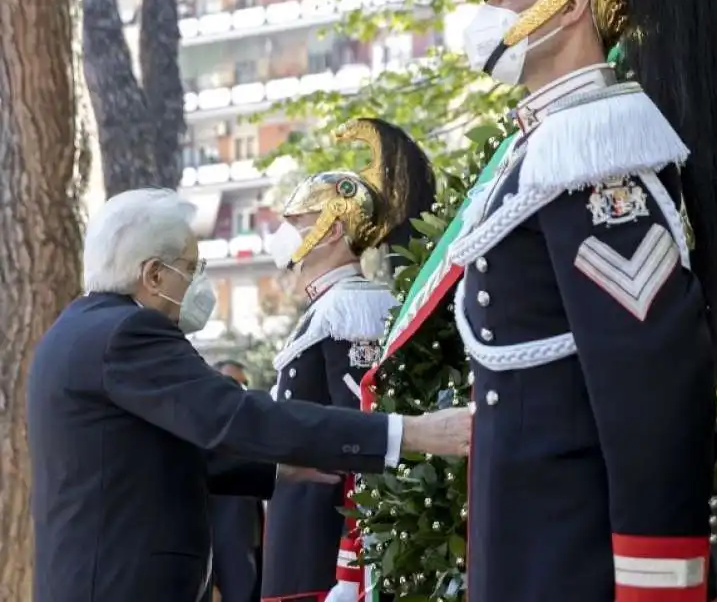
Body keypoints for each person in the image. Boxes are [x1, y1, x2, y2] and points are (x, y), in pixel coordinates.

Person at [26, 187, 471, 602]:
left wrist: (281, 465)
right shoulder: (127, 334)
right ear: (154, 274)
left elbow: (152, 455)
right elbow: (234, 416)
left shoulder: (78, 330)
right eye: (192, 267)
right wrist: (407, 433)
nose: (199, 282)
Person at [449, 0, 717, 601]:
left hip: (573, 550)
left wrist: (655, 580)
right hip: (528, 537)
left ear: (571, 2)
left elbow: (649, 385)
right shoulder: (543, 146)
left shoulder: (597, 150)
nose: (489, 1)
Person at [260, 117, 434, 602]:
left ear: (332, 228)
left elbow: (358, 436)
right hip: (298, 541)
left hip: (320, 550)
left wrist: (352, 564)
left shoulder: (349, 308)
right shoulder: (325, 309)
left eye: (296, 224)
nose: (285, 236)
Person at [208, 360, 264, 602]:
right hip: (222, 578)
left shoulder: (247, 443)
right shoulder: (205, 446)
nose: (240, 391)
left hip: (253, 565)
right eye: (232, 384)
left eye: (244, 385)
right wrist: (211, 583)